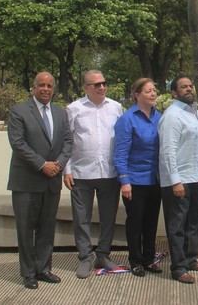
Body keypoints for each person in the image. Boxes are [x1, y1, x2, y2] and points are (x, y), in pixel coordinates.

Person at [7, 71, 73, 289]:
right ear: (33, 88)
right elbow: (18, 143)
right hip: (26, 181)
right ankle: (28, 273)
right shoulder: (19, 111)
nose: (45, 89)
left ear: (53, 89)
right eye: (41, 85)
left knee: (46, 228)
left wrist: (59, 164)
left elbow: (68, 142)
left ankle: (43, 268)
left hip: (51, 181)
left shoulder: (60, 113)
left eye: (49, 85)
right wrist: (42, 164)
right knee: (26, 229)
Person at [64, 70, 123, 279]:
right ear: (86, 87)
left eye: (104, 83)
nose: (101, 87)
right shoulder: (74, 109)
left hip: (109, 172)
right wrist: (67, 169)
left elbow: (122, 140)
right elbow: (67, 140)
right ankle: (85, 257)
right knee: (81, 219)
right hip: (81, 173)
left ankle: (103, 255)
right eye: (96, 84)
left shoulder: (116, 107)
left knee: (108, 218)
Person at [159, 75, 198, 284]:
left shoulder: (197, 114)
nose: (189, 89)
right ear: (174, 92)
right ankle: (178, 267)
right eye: (184, 87)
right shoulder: (172, 116)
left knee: (194, 222)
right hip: (179, 180)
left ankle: (192, 259)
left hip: (197, 177)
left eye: (190, 86)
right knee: (178, 225)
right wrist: (175, 181)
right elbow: (168, 151)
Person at [113, 78, 163, 277]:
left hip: (156, 179)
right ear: (137, 95)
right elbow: (120, 153)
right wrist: (124, 180)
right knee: (136, 222)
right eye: (148, 91)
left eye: (154, 90)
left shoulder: (160, 117)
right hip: (134, 180)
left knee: (151, 222)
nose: (153, 94)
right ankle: (135, 260)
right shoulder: (127, 119)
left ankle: (149, 259)